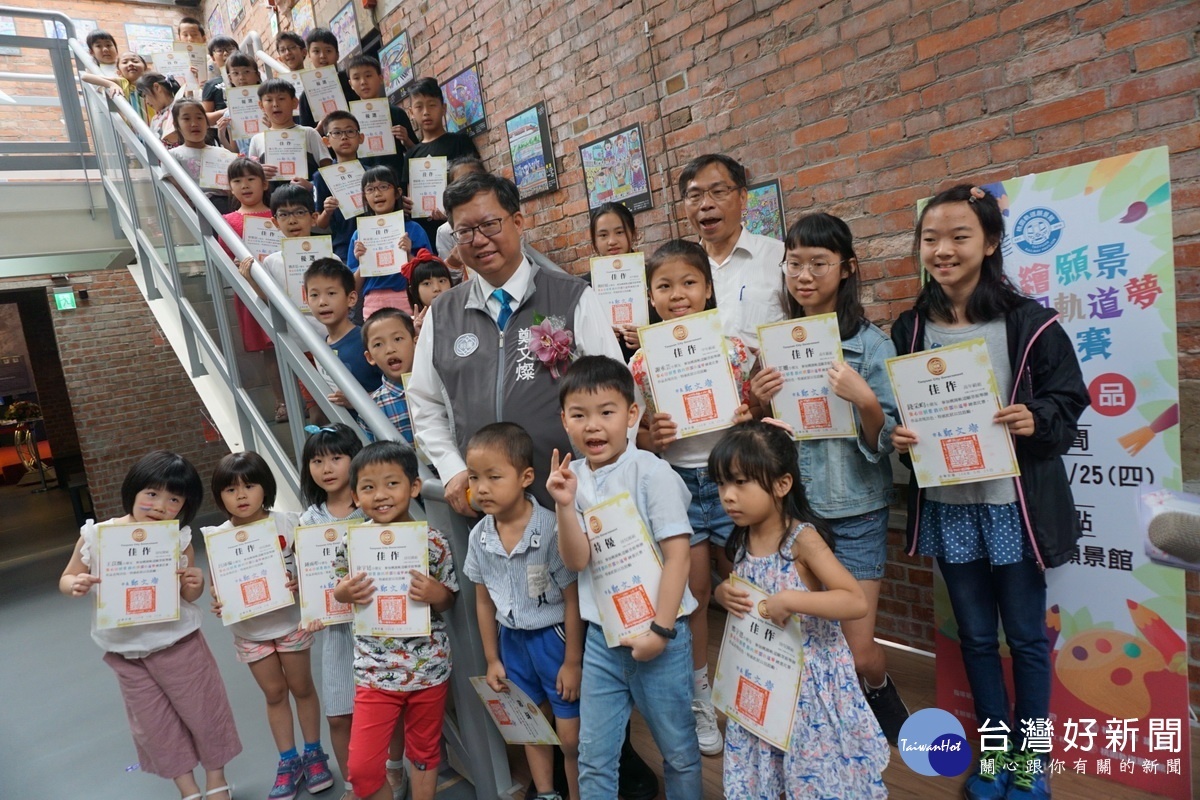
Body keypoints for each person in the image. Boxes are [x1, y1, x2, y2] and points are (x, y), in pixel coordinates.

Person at [406, 173, 657, 800]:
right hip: (491, 514)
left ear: (519, 220)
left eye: (491, 222)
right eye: (466, 230)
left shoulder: (571, 297)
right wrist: (454, 470)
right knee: (517, 639)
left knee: (588, 639)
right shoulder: (442, 315)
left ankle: (615, 770)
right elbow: (426, 407)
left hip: (572, 507)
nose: (480, 238)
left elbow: (615, 391)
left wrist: (594, 478)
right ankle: (547, 781)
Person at [891, 185, 1089, 800]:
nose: (942, 250)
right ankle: (995, 757)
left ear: (991, 243)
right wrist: (900, 433)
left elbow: (1068, 399)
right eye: (931, 239)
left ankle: (1030, 765)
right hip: (951, 507)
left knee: (1026, 638)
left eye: (958, 237)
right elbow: (904, 406)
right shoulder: (910, 327)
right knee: (975, 637)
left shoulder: (1032, 323)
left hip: (1014, 505)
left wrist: (1037, 418)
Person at [748, 213, 911, 743]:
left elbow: (885, 442)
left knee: (859, 651)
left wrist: (865, 400)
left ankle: (880, 688)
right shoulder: (771, 345)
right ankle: (833, 730)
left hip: (858, 511)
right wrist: (755, 401)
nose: (805, 275)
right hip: (798, 517)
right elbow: (766, 440)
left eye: (819, 263)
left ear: (847, 269)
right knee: (809, 641)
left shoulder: (871, 346)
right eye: (795, 263)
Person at [547, 355, 701, 800]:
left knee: (680, 753)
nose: (593, 426)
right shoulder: (571, 477)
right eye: (579, 415)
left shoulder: (653, 473)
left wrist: (661, 630)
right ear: (564, 420)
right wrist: (562, 505)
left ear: (632, 415)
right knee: (595, 757)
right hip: (602, 639)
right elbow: (577, 562)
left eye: (607, 412)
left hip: (662, 639)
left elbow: (678, 559)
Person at [711, 421, 889, 798]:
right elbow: (746, 591)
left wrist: (793, 600)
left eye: (740, 482)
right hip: (763, 675)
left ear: (782, 484)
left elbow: (854, 600)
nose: (727, 496)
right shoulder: (742, 537)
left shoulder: (801, 539)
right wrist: (722, 593)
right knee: (767, 765)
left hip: (807, 683)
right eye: (722, 484)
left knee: (812, 771)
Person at [629, 239, 757, 757]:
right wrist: (650, 437)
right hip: (678, 483)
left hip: (734, 476)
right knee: (697, 594)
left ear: (707, 288)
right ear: (650, 295)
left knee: (754, 585)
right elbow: (636, 435)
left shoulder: (735, 348)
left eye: (688, 283)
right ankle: (701, 697)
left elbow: (758, 406)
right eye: (665, 286)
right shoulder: (641, 362)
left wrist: (749, 413)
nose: (677, 294)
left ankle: (759, 686)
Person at [60, 451, 240, 800]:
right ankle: (188, 791)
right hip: (127, 654)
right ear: (134, 491)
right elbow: (68, 577)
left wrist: (194, 579)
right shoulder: (98, 535)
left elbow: (189, 595)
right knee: (155, 726)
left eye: (174, 498)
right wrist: (75, 586)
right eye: (152, 493)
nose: (160, 505)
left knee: (205, 713)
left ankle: (217, 782)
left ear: (184, 505)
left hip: (179, 645)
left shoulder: (178, 539)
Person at [333, 441, 460, 800]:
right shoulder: (351, 543)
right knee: (360, 768)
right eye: (368, 487)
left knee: (424, 754)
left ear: (414, 487)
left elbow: (449, 598)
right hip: (374, 670)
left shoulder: (432, 542)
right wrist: (344, 592)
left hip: (428, 669)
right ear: (355, 496)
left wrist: (437, 593)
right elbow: (339, 591)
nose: (381, 495)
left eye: (392, 483)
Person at [205, 452, 334, 800]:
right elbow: (220, 585)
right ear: (220, 496)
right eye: (231, 490)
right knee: (274, 694)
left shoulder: (289, 523)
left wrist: (300, 584)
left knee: (302, 688)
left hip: (291, 623)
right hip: (249, 631)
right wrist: (219, 600)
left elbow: (313, 570)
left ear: (266, 488)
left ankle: (313, 753)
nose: (241, 495)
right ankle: (288, 761)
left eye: (250, 486)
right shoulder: (217, 537)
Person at [463, 423, 582, 800]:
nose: (481, 488)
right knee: (529, 726)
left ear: (526, 477)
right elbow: (483, 600)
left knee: (570, 739)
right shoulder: (479, 535)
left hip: (554, 641)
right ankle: (546, 793)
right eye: (474, 477)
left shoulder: (549, 528)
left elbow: (573, 597)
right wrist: (492, 658)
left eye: (494, 477)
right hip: (511, 641)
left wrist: (573, 661)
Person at [297, 424, 366, 800]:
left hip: (375, 626)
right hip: (336, 631)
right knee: (339, 714)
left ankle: (392, 773)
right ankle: (355, 782)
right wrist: (299, 592)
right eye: (317, 460)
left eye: (337, 458)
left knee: (386, 709)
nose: (327, 468)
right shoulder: (307, 522)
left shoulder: (371, 510)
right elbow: (304, 576)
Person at [677, 153, 787, 349]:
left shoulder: (780, 257)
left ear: (743, 198)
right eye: (694, 196)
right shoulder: (679, 268)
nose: (706, 204)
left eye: (718, 191)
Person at [219, 157, 288, 421]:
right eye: (237, 181)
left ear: (264, 183)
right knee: (269, 349)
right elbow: (224, 259)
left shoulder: (278, 214)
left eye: (251, 179)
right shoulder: (227, 220)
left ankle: (308, 396)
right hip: (251, 291)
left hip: (284, 285)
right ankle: (282, 401)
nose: (245, 185)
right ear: (230, 187)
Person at [436, 156, 562, 280]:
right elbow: (445, 280)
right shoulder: (446, 232)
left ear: (517, 223)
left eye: (489, 224)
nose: (479, 240)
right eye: (465, 231)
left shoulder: (569, 294)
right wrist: (452, 264)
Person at [235, 183, 326, 340]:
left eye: (299, 212)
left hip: (328, 336)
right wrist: (250, 278)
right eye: (283, 215)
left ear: (314, 218)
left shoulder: (330, 257)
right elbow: (269, 299)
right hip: (293, 340)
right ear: (275, 222)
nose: (292, 221)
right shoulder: (271, 261)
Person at [405, 77, 481, 251]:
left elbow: (477, 181)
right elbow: (409, 192)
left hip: (460, 226)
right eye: (419, 107)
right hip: (426, 232)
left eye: (432, 105)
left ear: (444, 108)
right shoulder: (411, 155)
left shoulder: (460, 142)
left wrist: (450, 211)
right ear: (411, 112)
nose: (425, 112)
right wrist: (407, 203)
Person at [347, 165, 432, 316]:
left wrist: (409, 256)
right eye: (370, 189)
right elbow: (352, 287)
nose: (377, 194)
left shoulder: (414, 230)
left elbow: (429, 276)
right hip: (373, 303)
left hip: (408, 298)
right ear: (364, 198)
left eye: (383, 186)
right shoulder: (358, 235)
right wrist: (363, 263)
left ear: (398, 192)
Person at [304, 258, 383, 410]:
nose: (322, 302)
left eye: (331, 293)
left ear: (351, 298)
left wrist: (358, 401)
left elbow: (398, 389)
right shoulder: (320, 345)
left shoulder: (367, 340)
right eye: (314, 295)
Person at [247, 78, 331, 190]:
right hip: (273, 201)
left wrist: (312, 186)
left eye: (281, 98)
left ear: (294, 102)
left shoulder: (309, 133)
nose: (275, 104)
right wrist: (258, 173)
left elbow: (327, 168)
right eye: (269, 100)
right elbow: (250, 177)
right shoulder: (257, 139)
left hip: (307, 200)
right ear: (261, 105)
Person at [345, 54, 418, 183]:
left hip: (395, 181)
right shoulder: (348, 119)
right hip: (363, 184)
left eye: (368, 76)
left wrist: (406, 139)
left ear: (380, 78)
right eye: (356, 78)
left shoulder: (396, 113)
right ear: (351, 84)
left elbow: (416, 152)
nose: (363, 82)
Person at [587, 201, 640, 359]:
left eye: (619, 232)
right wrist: (600, 336)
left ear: (633, 234)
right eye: (603, 235)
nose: (612, 241)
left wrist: (648, 337)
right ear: (594, 241)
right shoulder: (584, 288)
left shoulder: (652, 276)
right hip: (606, 372)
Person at [314, 109, 366, 263]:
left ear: (360, 137)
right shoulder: (322, 177)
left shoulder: (372, 173)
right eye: (337, 133)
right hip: (343, 246)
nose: (344, 137)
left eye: (350, 131)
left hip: (374, 240)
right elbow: (320, 224)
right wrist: (327, 211)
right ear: (326, 141)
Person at [362, 307, 417, 443]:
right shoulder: (372, 408)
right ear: (370, 357)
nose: (390, 349)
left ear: (415, 343)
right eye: (378, 344)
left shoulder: (438, 387)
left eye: (398, 339)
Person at [167, 99, 232, 214]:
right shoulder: (173, 156)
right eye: (186, 119)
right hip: (197, 211)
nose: (194, 123)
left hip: (228, 208)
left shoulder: (223, 153)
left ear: (207, 123)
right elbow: (178, 194)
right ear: (176, 125)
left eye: (199, 118)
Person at [298, 28, 358, 129]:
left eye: (328, 51)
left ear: (337, 55)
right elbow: (307, 136)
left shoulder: (351, 79)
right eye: (316, 51)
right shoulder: (306, 96)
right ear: (309, 55)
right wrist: (319, 130)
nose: (322, 56)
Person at [215, 51, 262, 156]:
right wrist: (221, 135)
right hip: (248, 167)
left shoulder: (268, 104)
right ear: (230, 78)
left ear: (257, 75)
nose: (241, 77)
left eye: (246, 71)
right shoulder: (230, 114)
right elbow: (235, 152)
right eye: (235, 73)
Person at [403, 249, 454, 336]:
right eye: (427, 283)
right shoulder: (409, 327)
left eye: (442, 281)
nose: (437, 288)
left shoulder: (464, 315)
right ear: (413, 290)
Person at [136, 72, 184, 146]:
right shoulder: (156, 118)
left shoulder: (182, 107)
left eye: (145, 95)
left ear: (156, 87)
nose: (146, 102)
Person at [201, 35, 239, 126]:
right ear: (213, 58)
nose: (225, 53)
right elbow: (205, 118)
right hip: (226, 135)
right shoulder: (211, 84)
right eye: (220, 50)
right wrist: (229, 111)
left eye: (230, 49)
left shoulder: (250, 75)